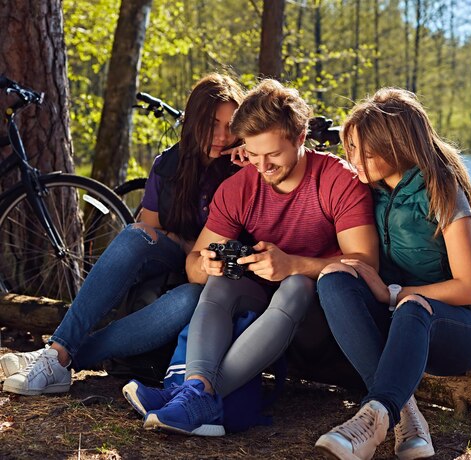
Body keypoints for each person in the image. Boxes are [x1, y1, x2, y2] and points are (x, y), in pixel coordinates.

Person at [122, 79, 379, 437]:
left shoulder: (338, 181)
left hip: (322, 322)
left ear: (301, 137)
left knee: (295, 285)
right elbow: (194, 264)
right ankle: (196, 392)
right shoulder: (240, 186)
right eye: (253, 155)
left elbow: (366, 265)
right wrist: (205, 264)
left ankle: (185, 396)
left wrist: (294, 264)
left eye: (272, 155)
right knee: (221, 279)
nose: (262, 166)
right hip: (262, 320)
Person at [1, 73, 246, 396]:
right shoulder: (167, 165)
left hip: (215, 276)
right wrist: (183, 244)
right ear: (195, 119)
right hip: (173, 259)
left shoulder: (245, 166)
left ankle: (55, 359)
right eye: (213, 123)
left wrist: (250, 169)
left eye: (231, 125)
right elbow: (153, 229)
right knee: (134, 235)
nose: (222, 135)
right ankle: (58, 352)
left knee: (190, 299)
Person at [313, 88, 471, 460]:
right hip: (399, 322)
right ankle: (405, 413)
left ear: (396, 146)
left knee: (413, 304)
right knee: (334, 277)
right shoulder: (367, 192)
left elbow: (469, 288)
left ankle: (371, 419)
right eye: (349, 149)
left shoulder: (442, 191)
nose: (353, 160)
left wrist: (392, 294)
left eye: (364, 151)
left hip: (456, 328)